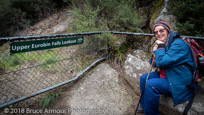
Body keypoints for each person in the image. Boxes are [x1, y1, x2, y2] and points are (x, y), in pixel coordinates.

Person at [136, 21, 197, 115]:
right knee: (144, 78)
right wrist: (155, 52)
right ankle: (144, 106)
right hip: (169, 74)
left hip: (180, 80)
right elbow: (154, 63)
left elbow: (162, 62)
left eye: (161, 30)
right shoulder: (166, 43)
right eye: (156, 32)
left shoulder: (178, 44)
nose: (158, 34)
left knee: (150, 84)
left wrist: (159, 48)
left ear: (168, 31)